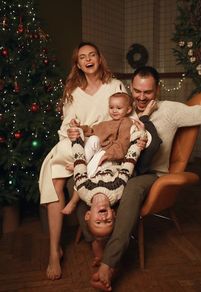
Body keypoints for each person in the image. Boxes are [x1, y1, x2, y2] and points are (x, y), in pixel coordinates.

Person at [74, 56, 201, 291]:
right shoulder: (124, 111)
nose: (141, 97)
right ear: (132, 89)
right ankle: (95, 242)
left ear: (157, 90)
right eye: (137, 91)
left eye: (147, 92)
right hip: (118, 172)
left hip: (150, 174)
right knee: (77, 185)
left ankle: (109, 263)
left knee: (131, 188)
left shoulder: (170, 110)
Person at [39, 41, 128, 281]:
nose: (88, 60)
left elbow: (127, 116)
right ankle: (54, 252)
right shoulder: (73, 91)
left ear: (99, 58)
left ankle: (98, 248)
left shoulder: (114, 85)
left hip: (102, 145)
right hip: (76, 143)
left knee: (72, 169)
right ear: (77, 64)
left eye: (92, 55)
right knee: (54, 179)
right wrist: (71, 132)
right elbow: (67, 125)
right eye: (82, 57)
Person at [62, 92, 162, 215]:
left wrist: (108, 154)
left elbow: (124, 144)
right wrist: (80, 128)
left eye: (119, 108)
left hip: (113, 156)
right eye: (111, 107)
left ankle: (79, 178)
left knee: (98, 156)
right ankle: (82, 162)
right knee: (93, 139)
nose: (114, 111)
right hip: (100, 151)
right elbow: (92, 130)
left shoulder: (128, 123)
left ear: (128, 109)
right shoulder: (106, 123)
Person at [67, 119, 146, 264]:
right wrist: (138, 141)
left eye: (98, 222)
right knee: (132, 135)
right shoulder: (118, 190)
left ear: (88, 215)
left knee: (89, 148)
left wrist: (76, 139)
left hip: (94, 160)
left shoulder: (84, 190)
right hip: (115, 158)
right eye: (108, 221)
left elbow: (79, 161)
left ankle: (78, 131)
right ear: (113, 213)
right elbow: (129, 163)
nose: (103, 218)